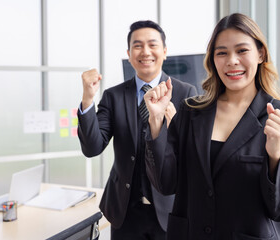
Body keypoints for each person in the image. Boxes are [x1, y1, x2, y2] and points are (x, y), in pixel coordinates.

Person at [144, 13, 280, 240]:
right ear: (213, 60)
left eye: (242, 50)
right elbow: (165, 184)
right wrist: (156, 122)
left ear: (260, 53)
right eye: (222, 53)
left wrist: (275, 156)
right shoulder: (190, 112)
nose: (232, 61)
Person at [77, 20, 197, 240]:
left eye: (152, 45)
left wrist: (173, 125)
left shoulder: (186, 93)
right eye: (138, 46)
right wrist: (87, 99)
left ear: (164, 51)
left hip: (169, 209)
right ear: (129, 53)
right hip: (125, 211)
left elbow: (192, 155)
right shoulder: (114, 96)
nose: (145, 52)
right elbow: (92, 147)